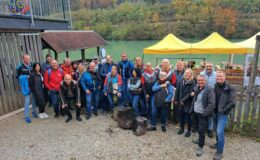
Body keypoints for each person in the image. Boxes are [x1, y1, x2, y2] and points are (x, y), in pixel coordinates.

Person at [211, 71, 235, 160]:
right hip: (215, 112)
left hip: (222, 114)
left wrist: (224, 111)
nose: (219, 78)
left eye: (221, 76)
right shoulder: (215, 86)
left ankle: (219, 151)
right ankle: (218, 144)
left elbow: (232, 102)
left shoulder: (229, 88)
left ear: (224, 77)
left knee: (219, 131)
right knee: (216, 130)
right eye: (217, 76)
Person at [190, 75, 215, 157]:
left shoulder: (209, 90)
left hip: (203, 114)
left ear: (205, 81)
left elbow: (211, 104)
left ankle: (200, 147)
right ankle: (200, 140)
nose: (200, 82)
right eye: (199, 80)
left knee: (201, 130)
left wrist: (204, 113)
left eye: (202, 80)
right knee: (197, 128)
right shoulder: (197, 88)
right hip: (196, 112)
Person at [174, 69, 196, 137]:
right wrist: (175, 99)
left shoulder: (193, 82)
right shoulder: (181, 81)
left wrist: (183, 101)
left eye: (189, 73)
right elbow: (177, 90)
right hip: (180, 102)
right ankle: (181, 128)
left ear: (191, 74)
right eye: (186, 73)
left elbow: (190, 93)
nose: (187, 74)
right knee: (181, 116)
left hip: (187, 102)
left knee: (188, 117)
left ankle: (188, 130)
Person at [16, 54, 37, 123]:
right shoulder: (20, 67)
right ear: (23, 59)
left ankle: (34, 112)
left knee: (34, 99)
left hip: (33, 85)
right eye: (26, 58)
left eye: (29, 58)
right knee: (27, 101)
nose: (28, 60)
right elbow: (18, 77)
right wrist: (25, 77)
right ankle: (26, 116)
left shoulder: (32, 65)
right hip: (26, 86)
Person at [200, 62, 217, 138]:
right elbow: (199, 82)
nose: (208, 67)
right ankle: (202, 127)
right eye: (207, 66)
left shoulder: (216, 74)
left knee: (210, 112)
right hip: (203, 95)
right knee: (202, 110)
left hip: (211, 95)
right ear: (205, 67)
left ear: (212, 67)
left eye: (210, 66)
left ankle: (209, 129)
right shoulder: (202, 73)